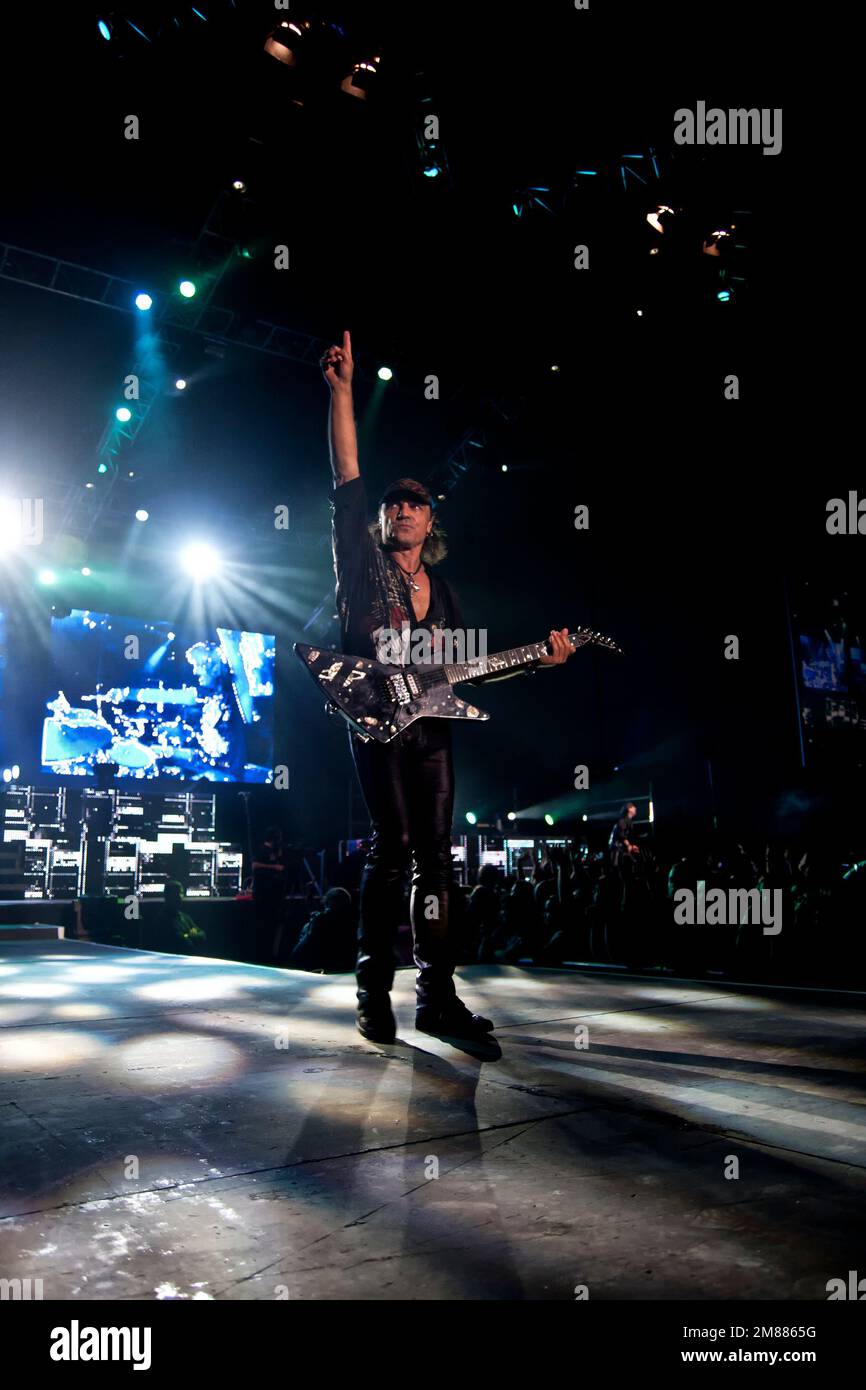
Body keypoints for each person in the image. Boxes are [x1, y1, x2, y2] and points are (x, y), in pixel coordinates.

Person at [321, 329, 576, 1042]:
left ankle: (437, 998)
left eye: (414, 502)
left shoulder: (448, 593)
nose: (400, 508)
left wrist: (541, 660)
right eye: (392, 503)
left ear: (432, 522)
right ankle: (374, 990)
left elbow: (471, 665)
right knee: (393, 844)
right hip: (376, 720)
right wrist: (342, 392)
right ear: (380, 521)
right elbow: (344, 475)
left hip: (432, 730)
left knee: (438, 855)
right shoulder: (360, 563)